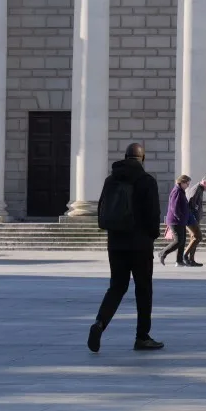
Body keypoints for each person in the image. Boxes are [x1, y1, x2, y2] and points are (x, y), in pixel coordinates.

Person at [89, 142, 163, 352]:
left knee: (117, 286)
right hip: (140, 243)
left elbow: (101, 207)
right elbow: (152, 213)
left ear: (125, 156)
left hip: (116, 242)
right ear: (143, 158)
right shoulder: (146, 180)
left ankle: (99, 323)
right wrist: (152, 235)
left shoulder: (110, 180)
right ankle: (142, 336)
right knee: (143, 289)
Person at [159, 174, 192, 266]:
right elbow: (174, 207)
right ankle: (162, 253)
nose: (188, 186)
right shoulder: (177, 191)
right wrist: (179, 217)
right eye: (187, 184)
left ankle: (179, 261)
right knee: (178, 241)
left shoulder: (181, 191)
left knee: (182, 241)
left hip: (181, 221)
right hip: (176, 221)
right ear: (182, 182)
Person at [182, 176, 206, 266]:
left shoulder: (200, 189)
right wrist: (193, 217)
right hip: (192, 218)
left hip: (194, 218)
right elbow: (190, 202)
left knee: (194, 238)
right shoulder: (197, 189)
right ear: (205, 183)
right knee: (197, 237)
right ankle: (185, 255)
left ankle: (191, 260)